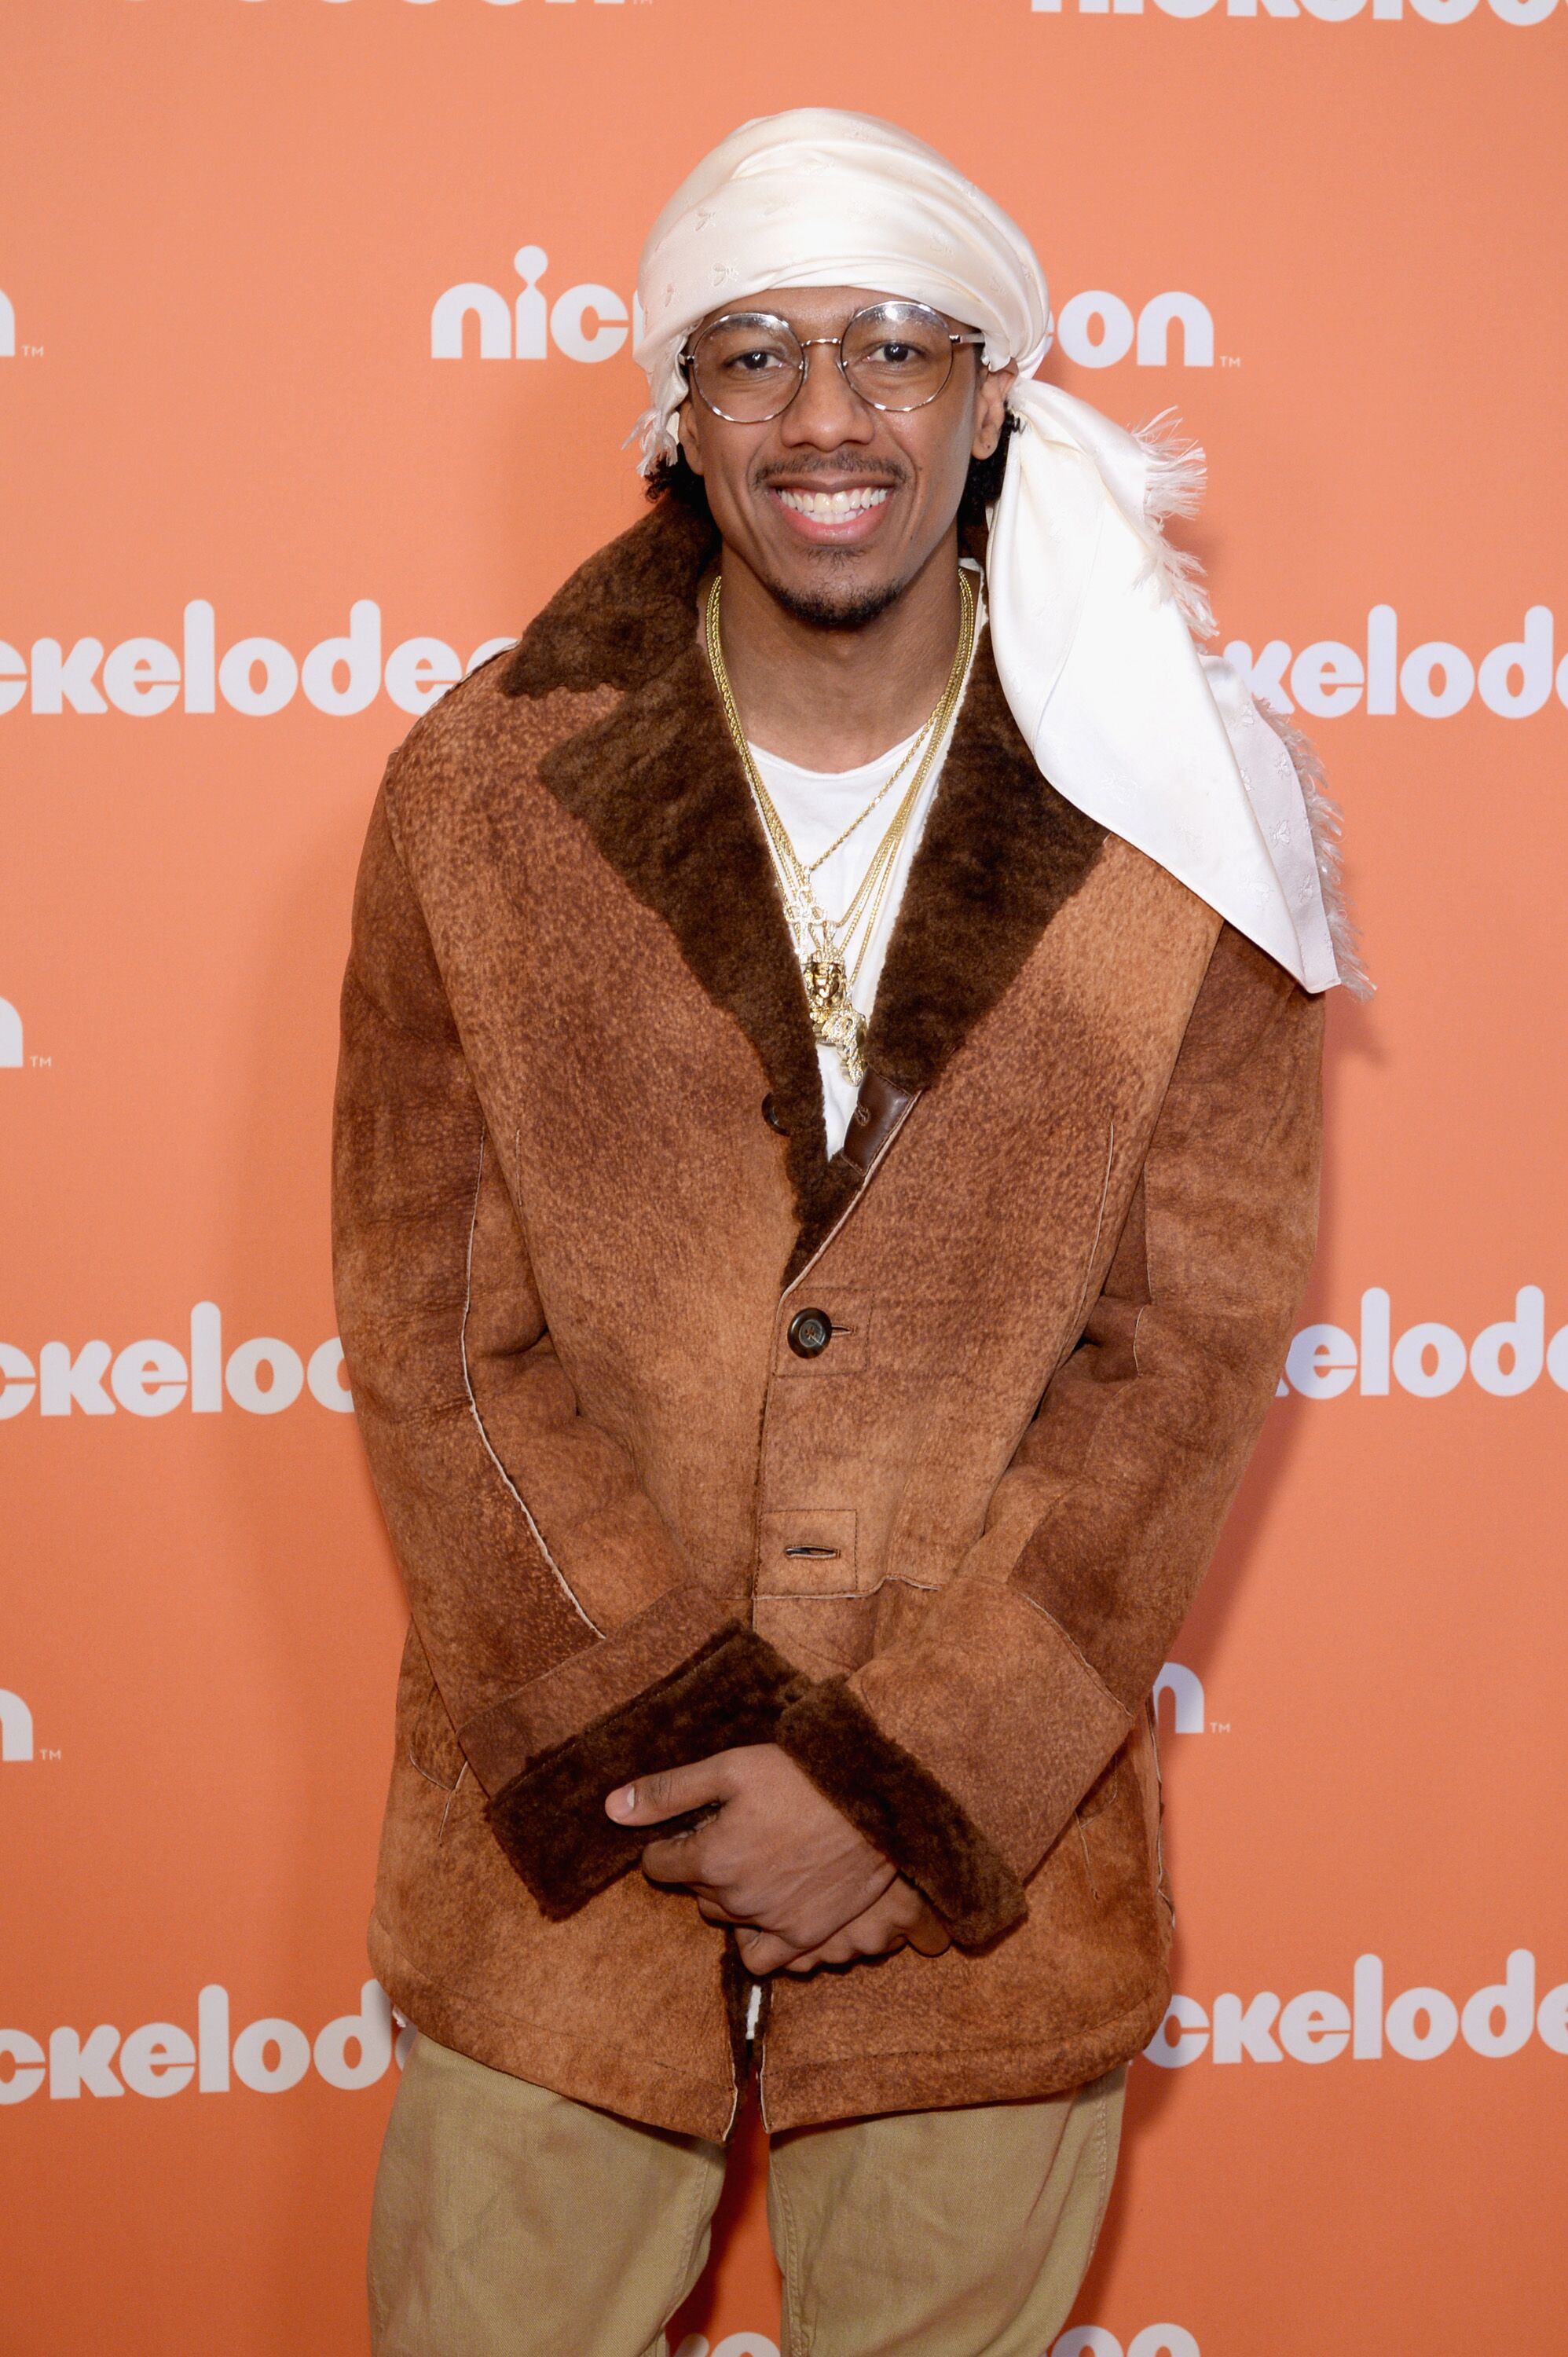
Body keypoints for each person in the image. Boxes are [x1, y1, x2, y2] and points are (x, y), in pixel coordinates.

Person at [333, 108, 1364, 2357]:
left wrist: (892, 1786)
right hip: (568, 1834)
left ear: (991, 401)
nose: (826, 414)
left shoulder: (1175, 802)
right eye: (752, 353)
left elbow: (1176, 1363)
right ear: (673, 417)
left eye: (895, 350)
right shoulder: (480, 790)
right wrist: (694, 1755)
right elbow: (431, 1336)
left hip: (977, 1872)